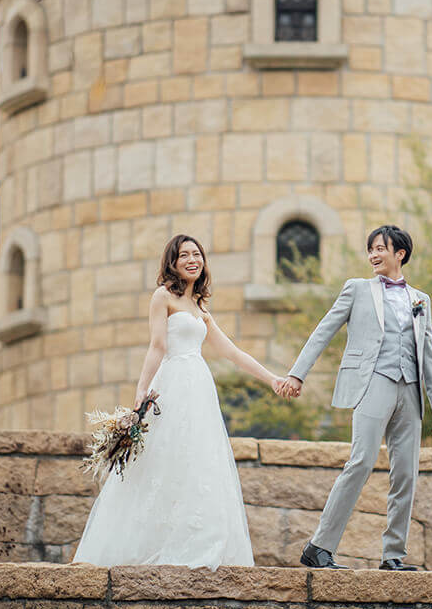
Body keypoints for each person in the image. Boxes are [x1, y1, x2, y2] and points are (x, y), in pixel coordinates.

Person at [72, 234, 290, 568]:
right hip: (172, 383)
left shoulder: (201, 307)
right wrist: (140, 395)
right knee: (162, 458)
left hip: (199, 387)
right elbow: (157, 346)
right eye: (184, 255)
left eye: (197, 254)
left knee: (200, 459)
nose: (192, 259)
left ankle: (200, 542)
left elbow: (231, 352)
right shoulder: (163, 297)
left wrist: (272, 379)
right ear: (172, 263)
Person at [278, 225, 432, 570]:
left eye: (380, 248)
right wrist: (297, 373)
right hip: (374, 382)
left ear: (400, 253)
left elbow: (427, 351)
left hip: (410, 391)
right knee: (361, 462)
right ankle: (319, 546)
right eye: (370, 249)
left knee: (406, 474)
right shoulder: (357, 289)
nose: (373, 255)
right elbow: (324, 329)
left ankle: (393, 555)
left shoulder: (420, 300)